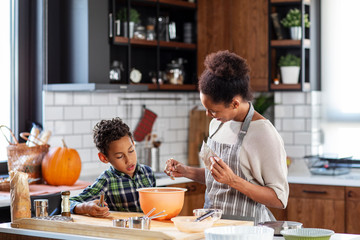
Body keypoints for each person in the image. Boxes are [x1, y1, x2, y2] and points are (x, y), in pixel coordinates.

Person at [164, 50, 289, 224]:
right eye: (205, 108)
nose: (208, 114)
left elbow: (279, 199)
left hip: (248, 231)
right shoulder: (217, 124)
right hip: (212, 226)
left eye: (213, 110)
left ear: (235, 103)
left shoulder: (264, 134)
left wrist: (234, 181)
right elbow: (217, 180)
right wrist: (187, 171)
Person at [70, 117, 156, 217]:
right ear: (104, 158)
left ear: (133, 142)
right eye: (119, 156)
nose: (129, 160)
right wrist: (85, 207)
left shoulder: (148, 173)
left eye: (131, 151)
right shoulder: (107, 180)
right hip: (124, 230)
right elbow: (69, 202)